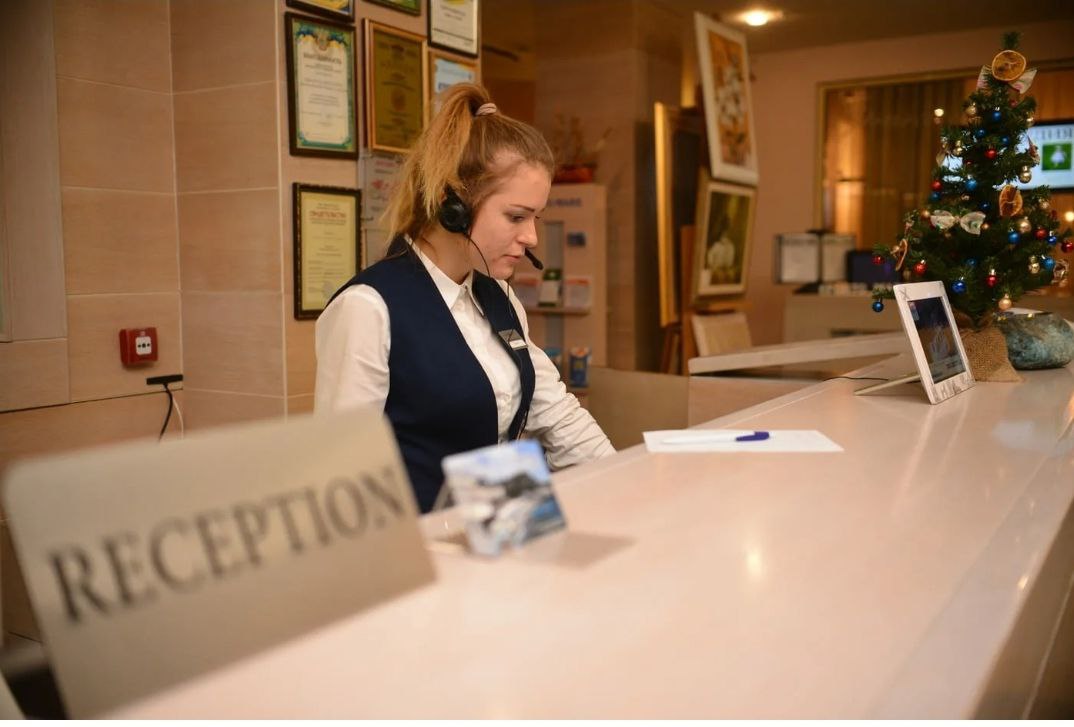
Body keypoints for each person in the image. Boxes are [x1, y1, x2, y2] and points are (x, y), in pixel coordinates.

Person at [314, 83, 614, 513]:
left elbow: (557, 415)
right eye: (516, 216)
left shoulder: (499, 297)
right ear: (452, 206)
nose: (531, 237)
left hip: (506, 525)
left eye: (536, 217)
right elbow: (343, 472)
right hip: (426, 542)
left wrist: (626, 482)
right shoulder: (368, 307)